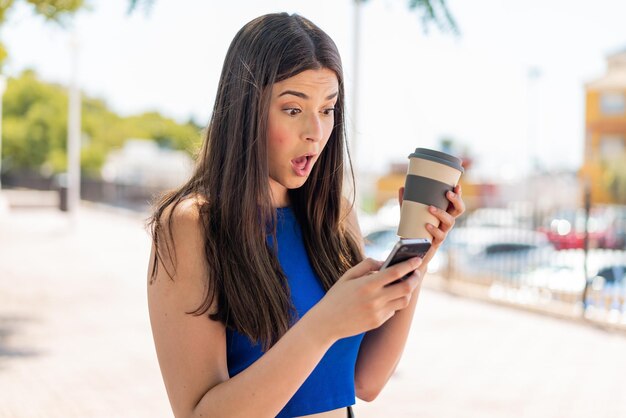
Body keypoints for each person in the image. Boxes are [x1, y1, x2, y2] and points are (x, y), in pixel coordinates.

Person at [146, 12, 465, 418]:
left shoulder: (335, 218)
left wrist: (419, 255)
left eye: (328, 109)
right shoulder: (191, 226)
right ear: (245, 109)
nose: (316, 131)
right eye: (293, 109)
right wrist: (325, 323)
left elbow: (365, 382)